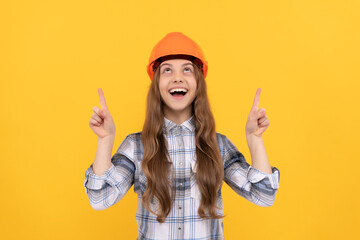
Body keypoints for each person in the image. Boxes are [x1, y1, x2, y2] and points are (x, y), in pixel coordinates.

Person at [84, 32, 280, 240]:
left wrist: (255, 139)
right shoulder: (135, 146)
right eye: (167, 70)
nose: (178, 77)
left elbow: (264, 195)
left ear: (198, 83)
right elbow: (100, 199)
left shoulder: (218, 145)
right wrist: (105, 141)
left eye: (187, 69)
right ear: (157, 84)